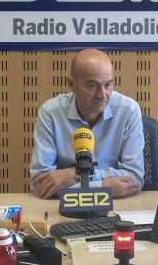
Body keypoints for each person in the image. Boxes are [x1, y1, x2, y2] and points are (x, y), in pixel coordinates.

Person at [30, 48, 144, 199]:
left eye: (108, 85)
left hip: (118, 208)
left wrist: (74, 174)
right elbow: (40, 184)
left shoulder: (128, 110)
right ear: (71, 84)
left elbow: (134, 178)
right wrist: (104, 188)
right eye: (92, 85)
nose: (102, 95)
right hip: (65, 210)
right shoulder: (51, 113)